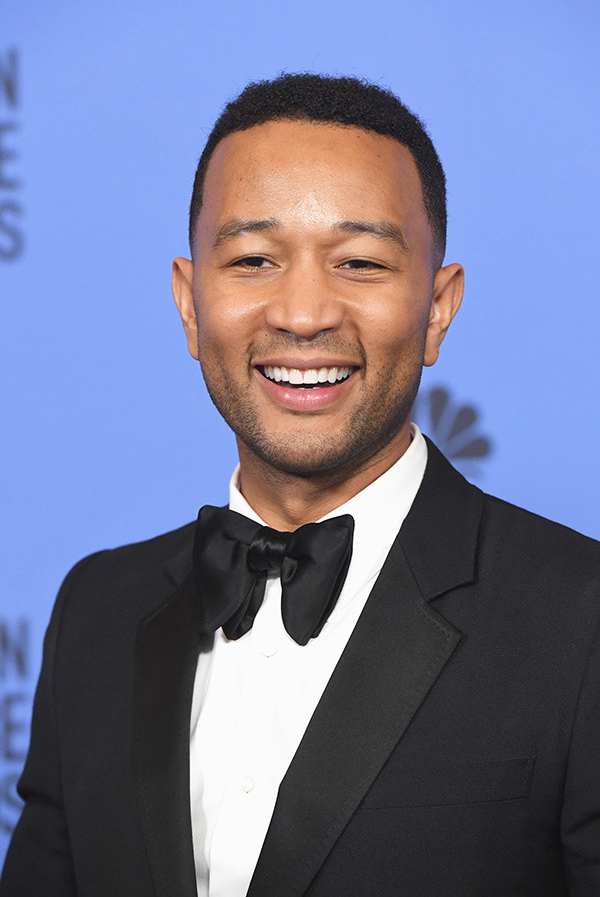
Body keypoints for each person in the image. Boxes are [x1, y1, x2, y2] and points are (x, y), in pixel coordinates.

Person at [1, 73, 599, 897]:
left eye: (360, 262)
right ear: (189, 305)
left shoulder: (580, 619)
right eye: (254, 260)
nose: (305, 313)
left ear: (437, 308)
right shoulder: (96, 612)